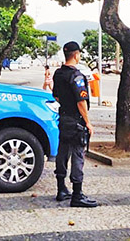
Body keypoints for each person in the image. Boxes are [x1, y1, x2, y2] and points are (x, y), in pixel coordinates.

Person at [52, 41, 98, 208]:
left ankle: (61, 189)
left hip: (63, 118)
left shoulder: (58, 74)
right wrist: (88, 122)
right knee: (78, 155)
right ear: (77, 55)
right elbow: (81, 102)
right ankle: (77, 195)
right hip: (76, 121)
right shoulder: (77, 76)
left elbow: (56, 96)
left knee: (62, 152)